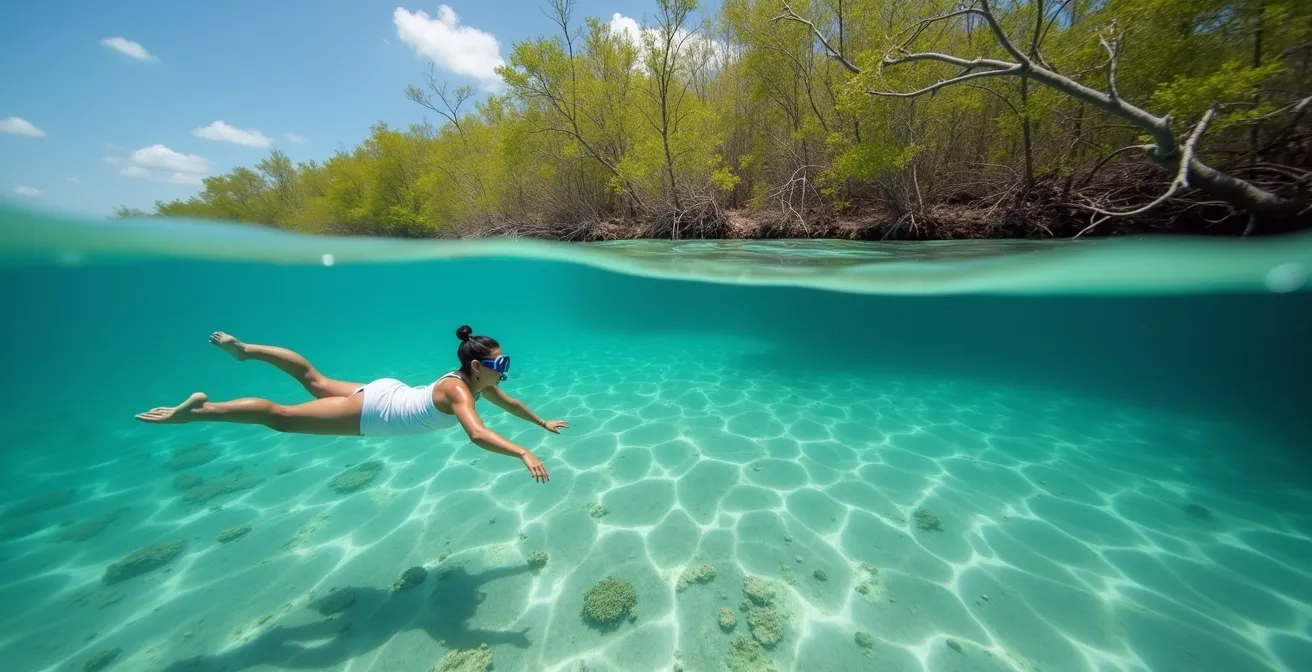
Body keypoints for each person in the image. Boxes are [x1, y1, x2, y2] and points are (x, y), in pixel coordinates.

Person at [135, 326, 565, 483]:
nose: (505, 370)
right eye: (501, 363)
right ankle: (201, 411)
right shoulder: (459, 391)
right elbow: (476, 433)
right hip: (375, 412)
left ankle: (246, 350)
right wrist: (523, 451)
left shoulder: (476, 383)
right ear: (477, 365)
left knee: (315, 379)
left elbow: (511, 405)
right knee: (281, 419)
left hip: (387, 391)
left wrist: (541, 422)